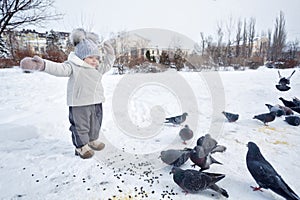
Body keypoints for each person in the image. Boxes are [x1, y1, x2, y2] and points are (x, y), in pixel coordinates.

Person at [20, 28, 115, 159]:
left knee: (96, 123)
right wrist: (42, 65)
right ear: (82, 57)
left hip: (96, 102)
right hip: (79, 103)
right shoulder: (73, 66)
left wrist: (110, 53)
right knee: (80, 126)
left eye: (97, 58)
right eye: (91, 57)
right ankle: (81, 146)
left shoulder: (98, 69)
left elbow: (109, 64)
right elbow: (58, 68)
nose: (95, 61)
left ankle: (92, 140)